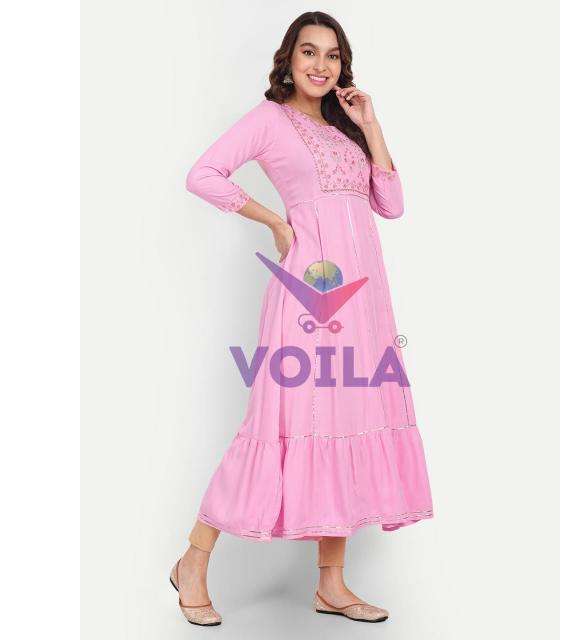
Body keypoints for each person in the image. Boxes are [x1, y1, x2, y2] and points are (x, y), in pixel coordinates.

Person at [172, 11, 434, 626]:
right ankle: (193, 561)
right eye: (309, 52)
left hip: (364, 304)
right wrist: (273, 220)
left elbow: (392, 204)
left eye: (333, 55)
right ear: (288, 59)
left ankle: (331, 586)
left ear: (344, 66)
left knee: (345, 423)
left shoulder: (346, 129)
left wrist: (370, 125)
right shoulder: (269, 120)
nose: (321, 65)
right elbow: (202, 174)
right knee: (275, 426)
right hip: (308, 300)